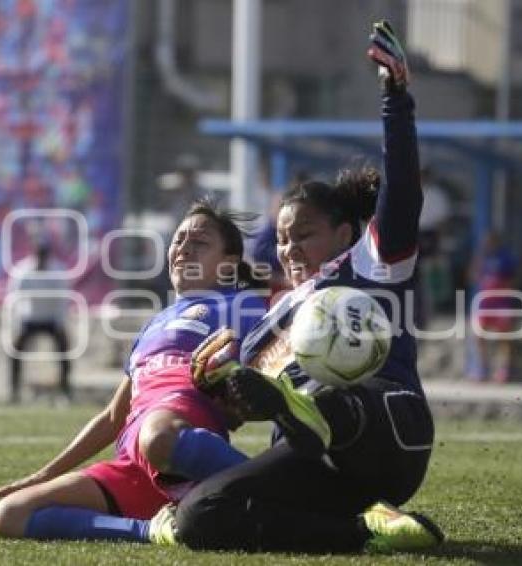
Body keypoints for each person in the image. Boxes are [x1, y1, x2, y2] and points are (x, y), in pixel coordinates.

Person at [149, 21, 444, 554]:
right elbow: (245, 410)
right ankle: (366, 530)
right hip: (320, 468)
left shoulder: (372, 264)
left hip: (386, 433)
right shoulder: (265, 325)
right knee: (198, 518)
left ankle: (307, 412)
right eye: (283, 240)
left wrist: (396, 99)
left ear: (344, 233)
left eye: (303, 234)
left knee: (323, 401)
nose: (289, 249)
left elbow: (401, 190)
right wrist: (226, 387)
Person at [0, 200, 268, 542]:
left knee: (159, 437)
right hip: (135, 459)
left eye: (200, 242)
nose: (184, 249)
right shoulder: (153, 325)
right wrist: (44, 474)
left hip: (178, 432)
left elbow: (274, 360)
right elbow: (113, 416)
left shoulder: (242, 304)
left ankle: (277, 494)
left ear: (228, 264)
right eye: (179, 240)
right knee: (11, 515)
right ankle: (156, 530)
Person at [6, 240, 72, 403]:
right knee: (14, 350)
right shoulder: (23, 271)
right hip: (30, 319)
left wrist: (59, 323)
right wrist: (17, 322)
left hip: (51, 320)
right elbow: (14, 298)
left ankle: (65, 389)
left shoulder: (58, 271)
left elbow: (62, 300)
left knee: (64, 348)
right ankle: (14, 391)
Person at [469, 230, 518, 383]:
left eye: (490, 241)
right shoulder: (482, 257)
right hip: (485, 302)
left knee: (504, 337)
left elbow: (514, 278)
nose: (487, 244)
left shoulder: (505, 257)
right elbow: (472, 276)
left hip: (501, 303)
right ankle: (483, 368)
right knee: (479, 335)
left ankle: (503, 370)